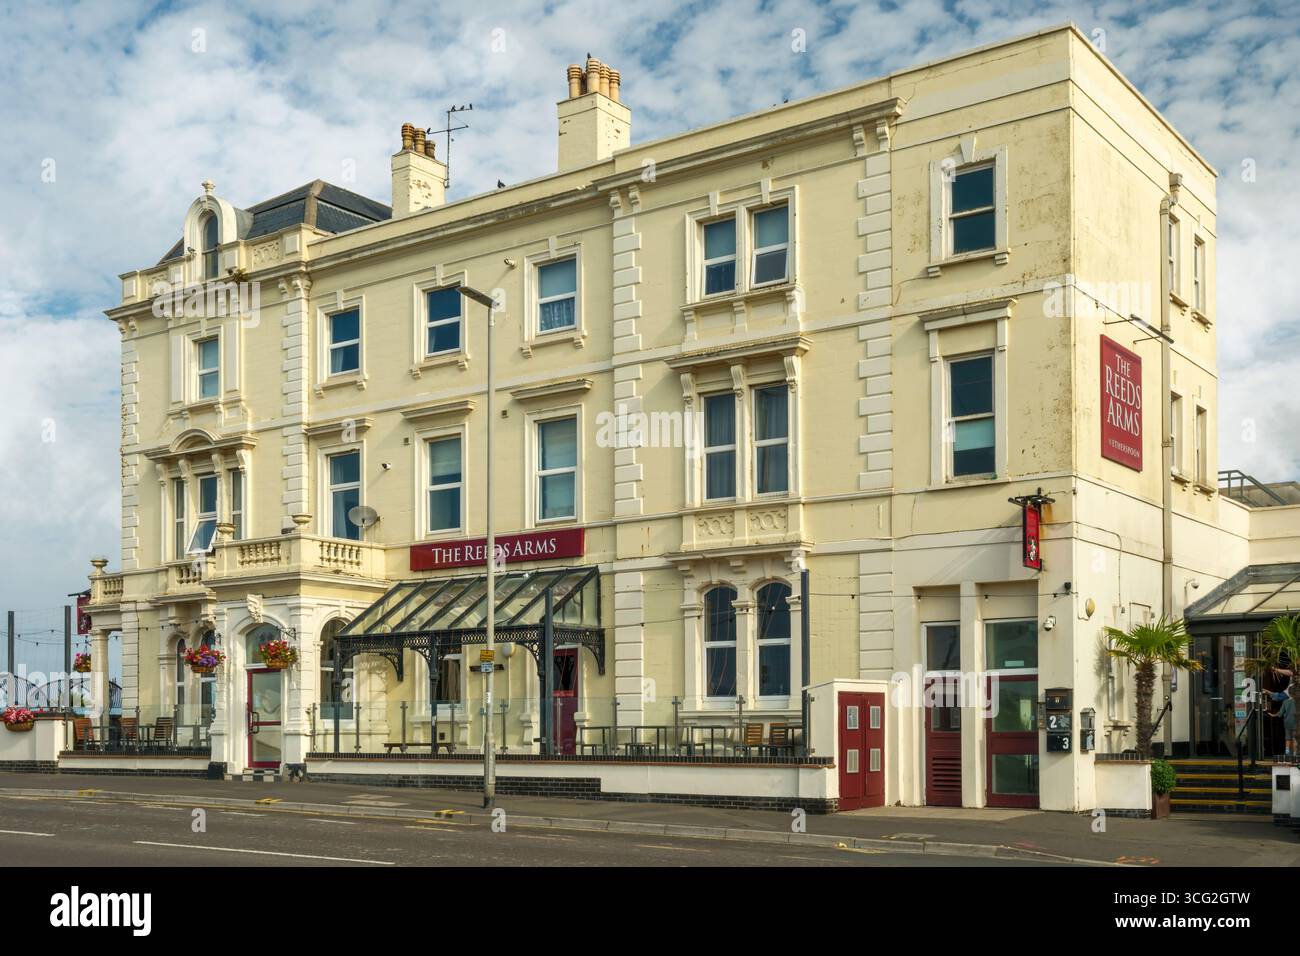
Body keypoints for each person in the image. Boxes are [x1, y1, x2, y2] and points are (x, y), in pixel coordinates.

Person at [1266, 686, 1297, 759]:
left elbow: (1280, 713)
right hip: (1296, 723)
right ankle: (1295, 755)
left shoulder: (1285, 702)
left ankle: (1287, 754)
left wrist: (1273, 715)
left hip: (1287, 723)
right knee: (1295, 739)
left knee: (1287, 738)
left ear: (1289, 693)